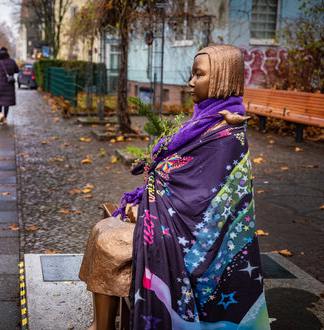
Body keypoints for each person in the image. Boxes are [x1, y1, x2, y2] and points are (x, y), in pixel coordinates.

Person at [79, 45, 271, 329]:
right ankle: (100, 324)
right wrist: (148, 198)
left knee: (108, 243)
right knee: (100, 228)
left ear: (221, 79)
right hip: (171, 218)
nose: (191, 82)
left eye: (199, 75)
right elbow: (179, 173)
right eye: (192, 74)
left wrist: (146, 207)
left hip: (194, 237)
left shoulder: (227, 133)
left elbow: (201, 200)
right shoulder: (206, 119)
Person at [0, 47, 19, 125]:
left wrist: (0, 74)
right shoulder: (12, 61)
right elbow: (17, 70)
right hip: (9, 84)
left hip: (0, 84)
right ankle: (5, 118)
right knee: (6, 101)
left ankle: (0, 113)